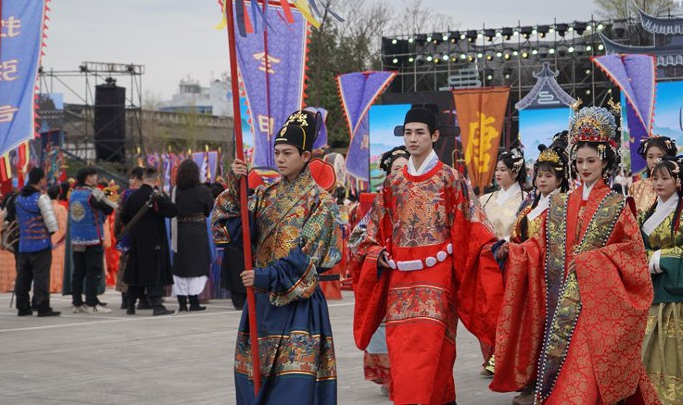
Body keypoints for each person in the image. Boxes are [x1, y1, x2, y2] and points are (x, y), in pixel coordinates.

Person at [490, 106, 658, 403]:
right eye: (579, 160)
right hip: (559, 308)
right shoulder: (559, 204)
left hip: (596, 308)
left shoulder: (618, 205)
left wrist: (590, 263)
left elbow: (633, 258)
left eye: (591, 160)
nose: (584, 166)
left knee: (583, 382)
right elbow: (540, 247)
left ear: (605, 160)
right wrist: (515, 253)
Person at [351, 104, 501, 405]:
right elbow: (366, 232)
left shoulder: (450, 178)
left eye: (420, 132)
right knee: (403, 353)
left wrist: (493, 250)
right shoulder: (393, 184)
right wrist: (374, 253)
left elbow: (474, 225)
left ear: (434, 135)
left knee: (435, 351)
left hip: (438, 277)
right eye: (408, 133)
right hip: (400, 280)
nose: (413, 139)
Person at [211, 110, 341, 405]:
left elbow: (310, 257)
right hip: (261, 305)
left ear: (305, 155)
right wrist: (236, 186)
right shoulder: (265, 194)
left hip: (299, 305)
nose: (280, 159)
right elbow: (228, 229)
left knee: (293, 389)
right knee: (252, 386)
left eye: (288, 153)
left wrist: (266, 275)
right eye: (277, 153)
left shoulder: (321, 201)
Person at [494, 133, 570, 405]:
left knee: (551, 333)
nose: (542, 180)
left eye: (549, 176)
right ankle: (529, 383)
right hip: (529, 279)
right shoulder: (531, 206)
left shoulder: (564, 206)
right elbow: (520, 236)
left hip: (554, 281)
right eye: (539, 174)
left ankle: (550, 386)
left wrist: (520, 250)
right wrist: (509, 247)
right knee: (530, 332)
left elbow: (552, 243)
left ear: (560, 179)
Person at [638, 155, 683, 404]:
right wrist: (646, 258)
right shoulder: (645, 214)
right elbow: (635, 247)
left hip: (680, 300)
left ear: (678, 181)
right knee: (650, 355)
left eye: (665, 178)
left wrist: (660, 258)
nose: (658, 183)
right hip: (652, 294)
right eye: (655, 178)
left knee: (678, 358)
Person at [348, 146, 410, 398]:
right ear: (387, 175)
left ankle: (408, 373)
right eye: (397, 169)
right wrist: (377, 253)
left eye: (406, 168)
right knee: (386, 325)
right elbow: (356, 239)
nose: (402, 173)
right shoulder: (378, 205)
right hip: (386, 272)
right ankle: (390, 373)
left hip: (414, 273)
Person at [476, 144, 527, 375]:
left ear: (515, 172)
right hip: (488, 259)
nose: (498, 174)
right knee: (487, 308)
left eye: (503, 170)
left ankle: (505, 358)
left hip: (511, 259)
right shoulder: (485, 199)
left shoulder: (525, 200)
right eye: (497, 169)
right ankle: (490, 356)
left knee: (508, 309)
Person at [122, 166, 178, 316]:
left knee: (136, 272)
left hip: (137, 241)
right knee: (155, 273)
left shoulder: (132, 196)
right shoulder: (155, 197)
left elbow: (124, 217)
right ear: (156, 179)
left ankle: (130, 305)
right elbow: (173, 211)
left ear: (143, 177)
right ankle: (157, 305)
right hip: (155, 241)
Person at [11, 167, 61, 317]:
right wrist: (49, 233)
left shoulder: (18, 198)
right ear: (40, 180)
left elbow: (16, 219)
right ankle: (42, 306)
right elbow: (51, 223)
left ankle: (22, 306)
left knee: (23, 276)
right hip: (40, 243)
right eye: (44, 178)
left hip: (24, 244)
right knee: (41, 276)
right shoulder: (41, 198)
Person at [69, 167, 115, 313]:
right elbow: (108, 209)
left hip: (77, 238)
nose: (96, 178)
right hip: (92, 238)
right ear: (88, 178)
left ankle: (77, 303)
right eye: (94, 176)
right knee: (93, 270)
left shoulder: (73, 194)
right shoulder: (92, 195)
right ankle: (92, 303)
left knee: (78, 271)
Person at [171, 159, 214, 312]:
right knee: (197, 266)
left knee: (180, 267)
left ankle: (182, 303)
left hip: (180, 231)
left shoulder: (176, 190)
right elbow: (209, 209)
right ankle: (194, 302)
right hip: (197, 231)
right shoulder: (203, 190)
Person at [114, 167, 143, 310]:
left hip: (128, 235)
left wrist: (117, 234)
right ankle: (143, 298)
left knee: (125, 266)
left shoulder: (125, 194)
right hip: (144, 237)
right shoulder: (149, 194)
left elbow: (118, 216)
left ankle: (125, 298)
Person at [630, 135, 678, 213]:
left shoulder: (678, 186)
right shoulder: (636, 187)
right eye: (650, 157)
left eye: (660, 157)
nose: (655, 161)